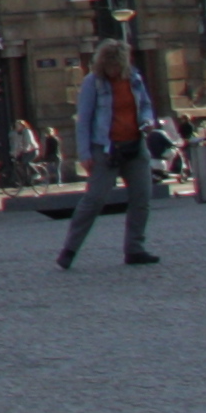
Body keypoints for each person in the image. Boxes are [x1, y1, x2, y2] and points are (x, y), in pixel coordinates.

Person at [62, 41, 163, 271]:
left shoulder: (134, 79)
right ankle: (69, 249)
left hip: (135, 146)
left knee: (142, 198)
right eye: (109, 67)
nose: (113, 71)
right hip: (106, 149)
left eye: (116, 66)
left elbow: (145, 105)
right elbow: (83, 120)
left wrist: (147, 121)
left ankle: (134, 249)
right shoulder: (93, 83)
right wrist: (84, 153)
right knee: (94, 200)